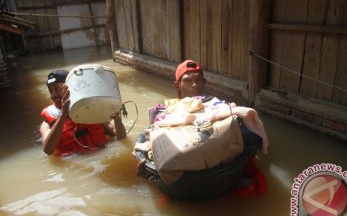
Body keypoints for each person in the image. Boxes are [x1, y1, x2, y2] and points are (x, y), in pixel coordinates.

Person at [136, 60, 268, 196]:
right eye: (188, 80)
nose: (194, 84)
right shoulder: (166, 109)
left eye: (199, 80)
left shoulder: (216, 104)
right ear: (177, 85)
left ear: (204, 82)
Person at [40, 69, 126, 156]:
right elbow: (48, 151)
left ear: (70, 88)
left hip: (102, 156)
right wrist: (63, 115)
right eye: (50, 90)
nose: (53, 95)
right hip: (73, 164)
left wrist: (117, 118)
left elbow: (121, 137)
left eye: (57, 89)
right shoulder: (48, 120)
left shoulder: (91, 109)